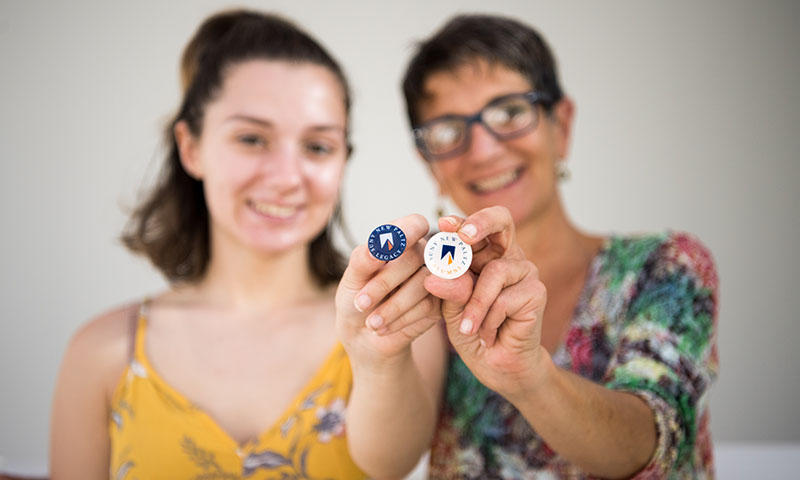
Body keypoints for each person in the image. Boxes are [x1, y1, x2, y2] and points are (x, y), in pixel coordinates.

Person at [50, 10, 446, 479]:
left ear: (342, 161)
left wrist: (378, 358)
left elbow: (391, 465)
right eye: (253, 139)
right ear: (191, 146)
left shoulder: (395, 325)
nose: (285, 178)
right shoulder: (102, 352)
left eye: (318, 147)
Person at [402, 14, 719, 479]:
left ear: (561, 126)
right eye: (449, 130)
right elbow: (388, 456)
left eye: (510, 112)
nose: (484, 150)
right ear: (431, 163)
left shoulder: (667, 267)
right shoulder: (429, 288)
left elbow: (652, 442)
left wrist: (530, 376)